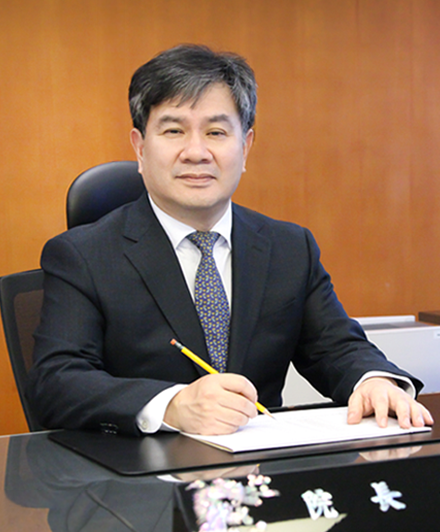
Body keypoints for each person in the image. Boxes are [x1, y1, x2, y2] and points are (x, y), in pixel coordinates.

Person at [27, 44, 433, 437]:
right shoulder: (83, 255)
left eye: (216, 132)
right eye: (174, 130)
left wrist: (373, 380)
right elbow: (57, 382)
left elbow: (337, 348)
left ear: (245, 146)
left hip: (262, 470)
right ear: (140, 147)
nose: (196, 152)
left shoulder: (290, 248)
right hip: (140, 472)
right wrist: (172, 406)